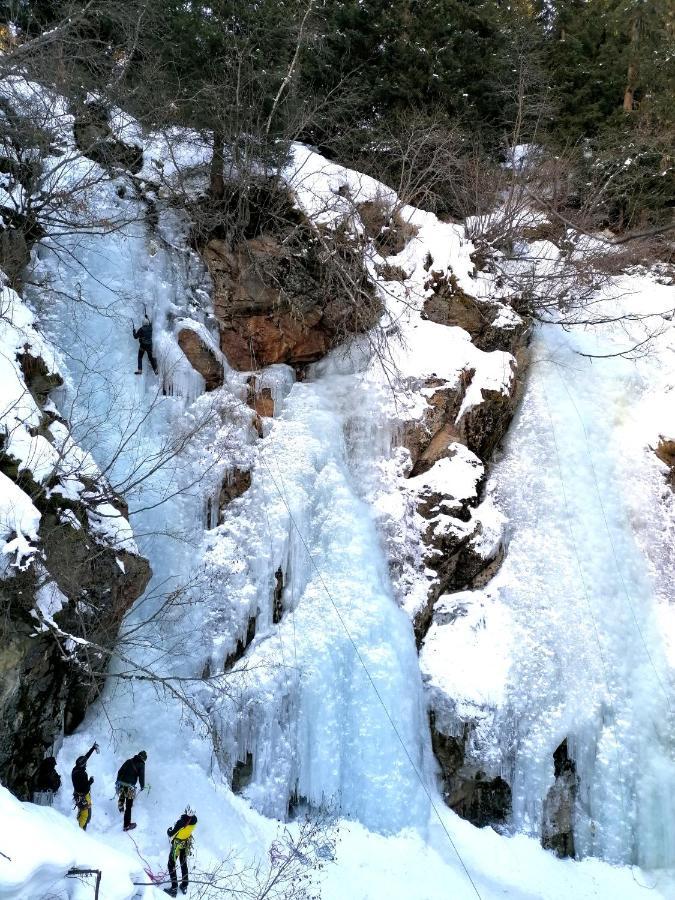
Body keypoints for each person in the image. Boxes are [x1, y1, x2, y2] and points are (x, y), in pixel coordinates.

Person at [164, 807, 198, 897]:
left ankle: (174, 888)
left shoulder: (181, 822)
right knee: (183, 863)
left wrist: (169, 830)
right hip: (186, 843)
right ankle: (184, 885)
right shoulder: (195, 820)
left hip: (177, 845)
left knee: (171, 865)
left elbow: (170, 833)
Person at [115, 750, 147, 832]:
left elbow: (120, 771)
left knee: (122, 795)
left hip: (122, 783)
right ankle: (126, 825)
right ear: (143, 758)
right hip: (130, 787)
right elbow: (141, 776)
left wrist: (118, 780)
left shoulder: (129, 761)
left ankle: (120, 807)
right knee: (129, 806)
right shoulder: (141, 764)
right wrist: (142, 786)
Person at [71, 742, 98, 830]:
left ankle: (78, 824)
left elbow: (86, 757)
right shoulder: (81, 774)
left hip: (78, 794)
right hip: (83, 795)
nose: (86, 764)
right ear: (83, 765)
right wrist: (90, 781)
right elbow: (83, 788)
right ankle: (79, 831)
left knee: (81, 811)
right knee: (84, 814)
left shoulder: (75, 769)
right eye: (85, 763)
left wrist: (93, 748)